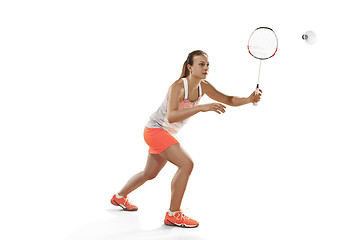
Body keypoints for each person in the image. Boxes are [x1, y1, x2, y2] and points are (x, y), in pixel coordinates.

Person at [110, 50, 261, 228]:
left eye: (207, 65)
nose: (206, 68)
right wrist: (201, 108)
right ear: (190, 67)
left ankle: (119, 197)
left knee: (149, 174)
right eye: (201, 64)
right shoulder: (178, 87)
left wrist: (249, 99)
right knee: (186, 164)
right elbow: (172, 115)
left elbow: (228, 99)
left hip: (164, 134)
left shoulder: (203, 86)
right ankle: (173, 214)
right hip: (155, 130)